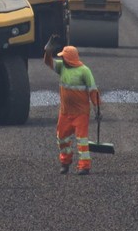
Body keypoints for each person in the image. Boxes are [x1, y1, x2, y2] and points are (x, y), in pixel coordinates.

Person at [43, 37, 100, 176]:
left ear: (70, 59)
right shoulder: (61, 67)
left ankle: (84, 166)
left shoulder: (84, 71)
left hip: (81, 113)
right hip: (65, 113)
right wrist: (47, 51)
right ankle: (65, 162)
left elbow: (93, 91)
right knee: (61, 138)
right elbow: (48, 62)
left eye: (64, 57)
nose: (61, 59)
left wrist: (97, 109)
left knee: (82, 140)